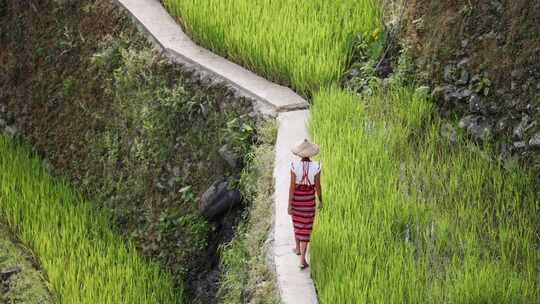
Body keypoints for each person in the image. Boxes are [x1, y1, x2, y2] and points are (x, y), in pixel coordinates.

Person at [288, 139, 323, 269]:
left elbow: (292, 188)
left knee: (297, 222)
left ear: (299, 154)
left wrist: (289, 204)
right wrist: (321, 200)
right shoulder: (317, 166)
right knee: (305, 228)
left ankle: (298, 250)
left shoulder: (293, 166)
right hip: (309, 201)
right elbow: (318, 186)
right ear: (311, 154)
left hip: (297, 199)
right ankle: (302, 259)